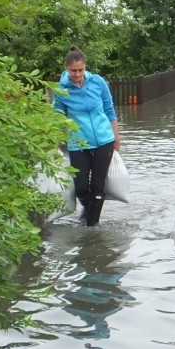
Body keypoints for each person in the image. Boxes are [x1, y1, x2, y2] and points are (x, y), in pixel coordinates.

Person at [53, 46, 120, 227]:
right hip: (78, 143)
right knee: (81, 187)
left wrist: (116, 135)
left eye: (80, 70)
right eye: (73, 70)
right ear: (66, 68)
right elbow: (58, 117)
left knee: (98, 187)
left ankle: (91, 228)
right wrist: (55, 144)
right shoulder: (61, 90)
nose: (77, 74)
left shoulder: (98, 82)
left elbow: (109, 109)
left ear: (85, 67)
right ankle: (88, 210)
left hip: (103, 140)